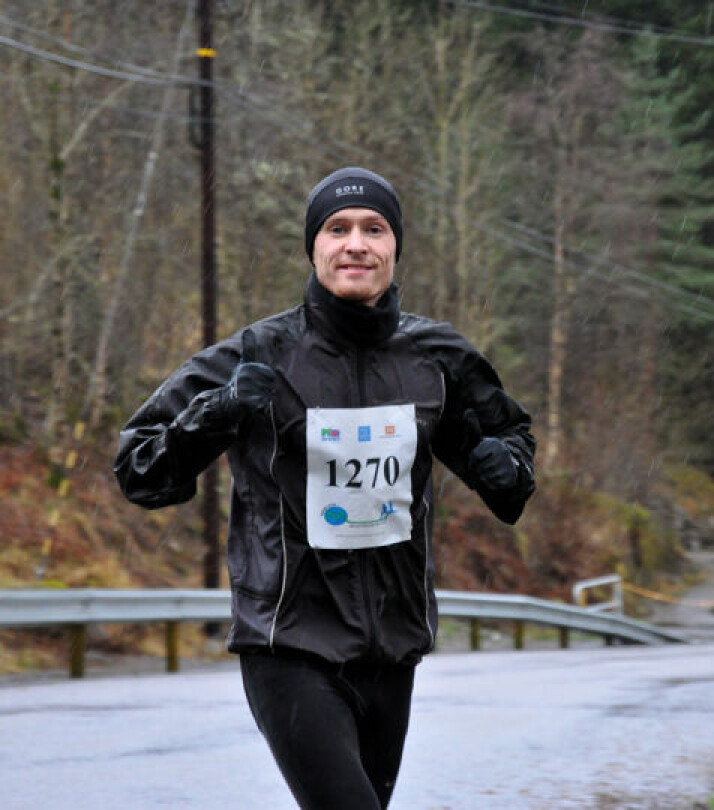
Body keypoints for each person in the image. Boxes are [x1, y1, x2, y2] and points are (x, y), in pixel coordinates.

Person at [113, 167, 536, 809]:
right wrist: (219, 411)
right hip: (289, 643)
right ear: (314, 247)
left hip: (392, 649)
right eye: (337, 230)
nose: (356, 244)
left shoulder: (435, 357)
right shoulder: (259, 354)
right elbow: (139, 468)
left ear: (395, 246)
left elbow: (509, 452)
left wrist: (504, 466)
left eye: (374, 229)